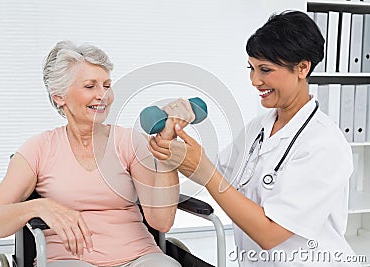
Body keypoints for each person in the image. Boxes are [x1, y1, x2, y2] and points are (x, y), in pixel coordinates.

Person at [149, 10, 360, 266]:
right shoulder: (259, 127)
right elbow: (219, 176)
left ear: (303, 67)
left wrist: (203, 168)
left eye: (265, 69)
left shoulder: (324, 145)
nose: (254, 80)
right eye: (251, 68)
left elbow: (270, 233)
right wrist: (176, 146)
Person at [0, 41, 184, 267]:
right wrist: (39, 206)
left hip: (140, 257)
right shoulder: (38, 148)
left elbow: (161, 222)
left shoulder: (129, 141)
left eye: (106, 85)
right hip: (68, 260)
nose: (102, 95)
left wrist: (166, 152)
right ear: (59, 96)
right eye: (90, 86)